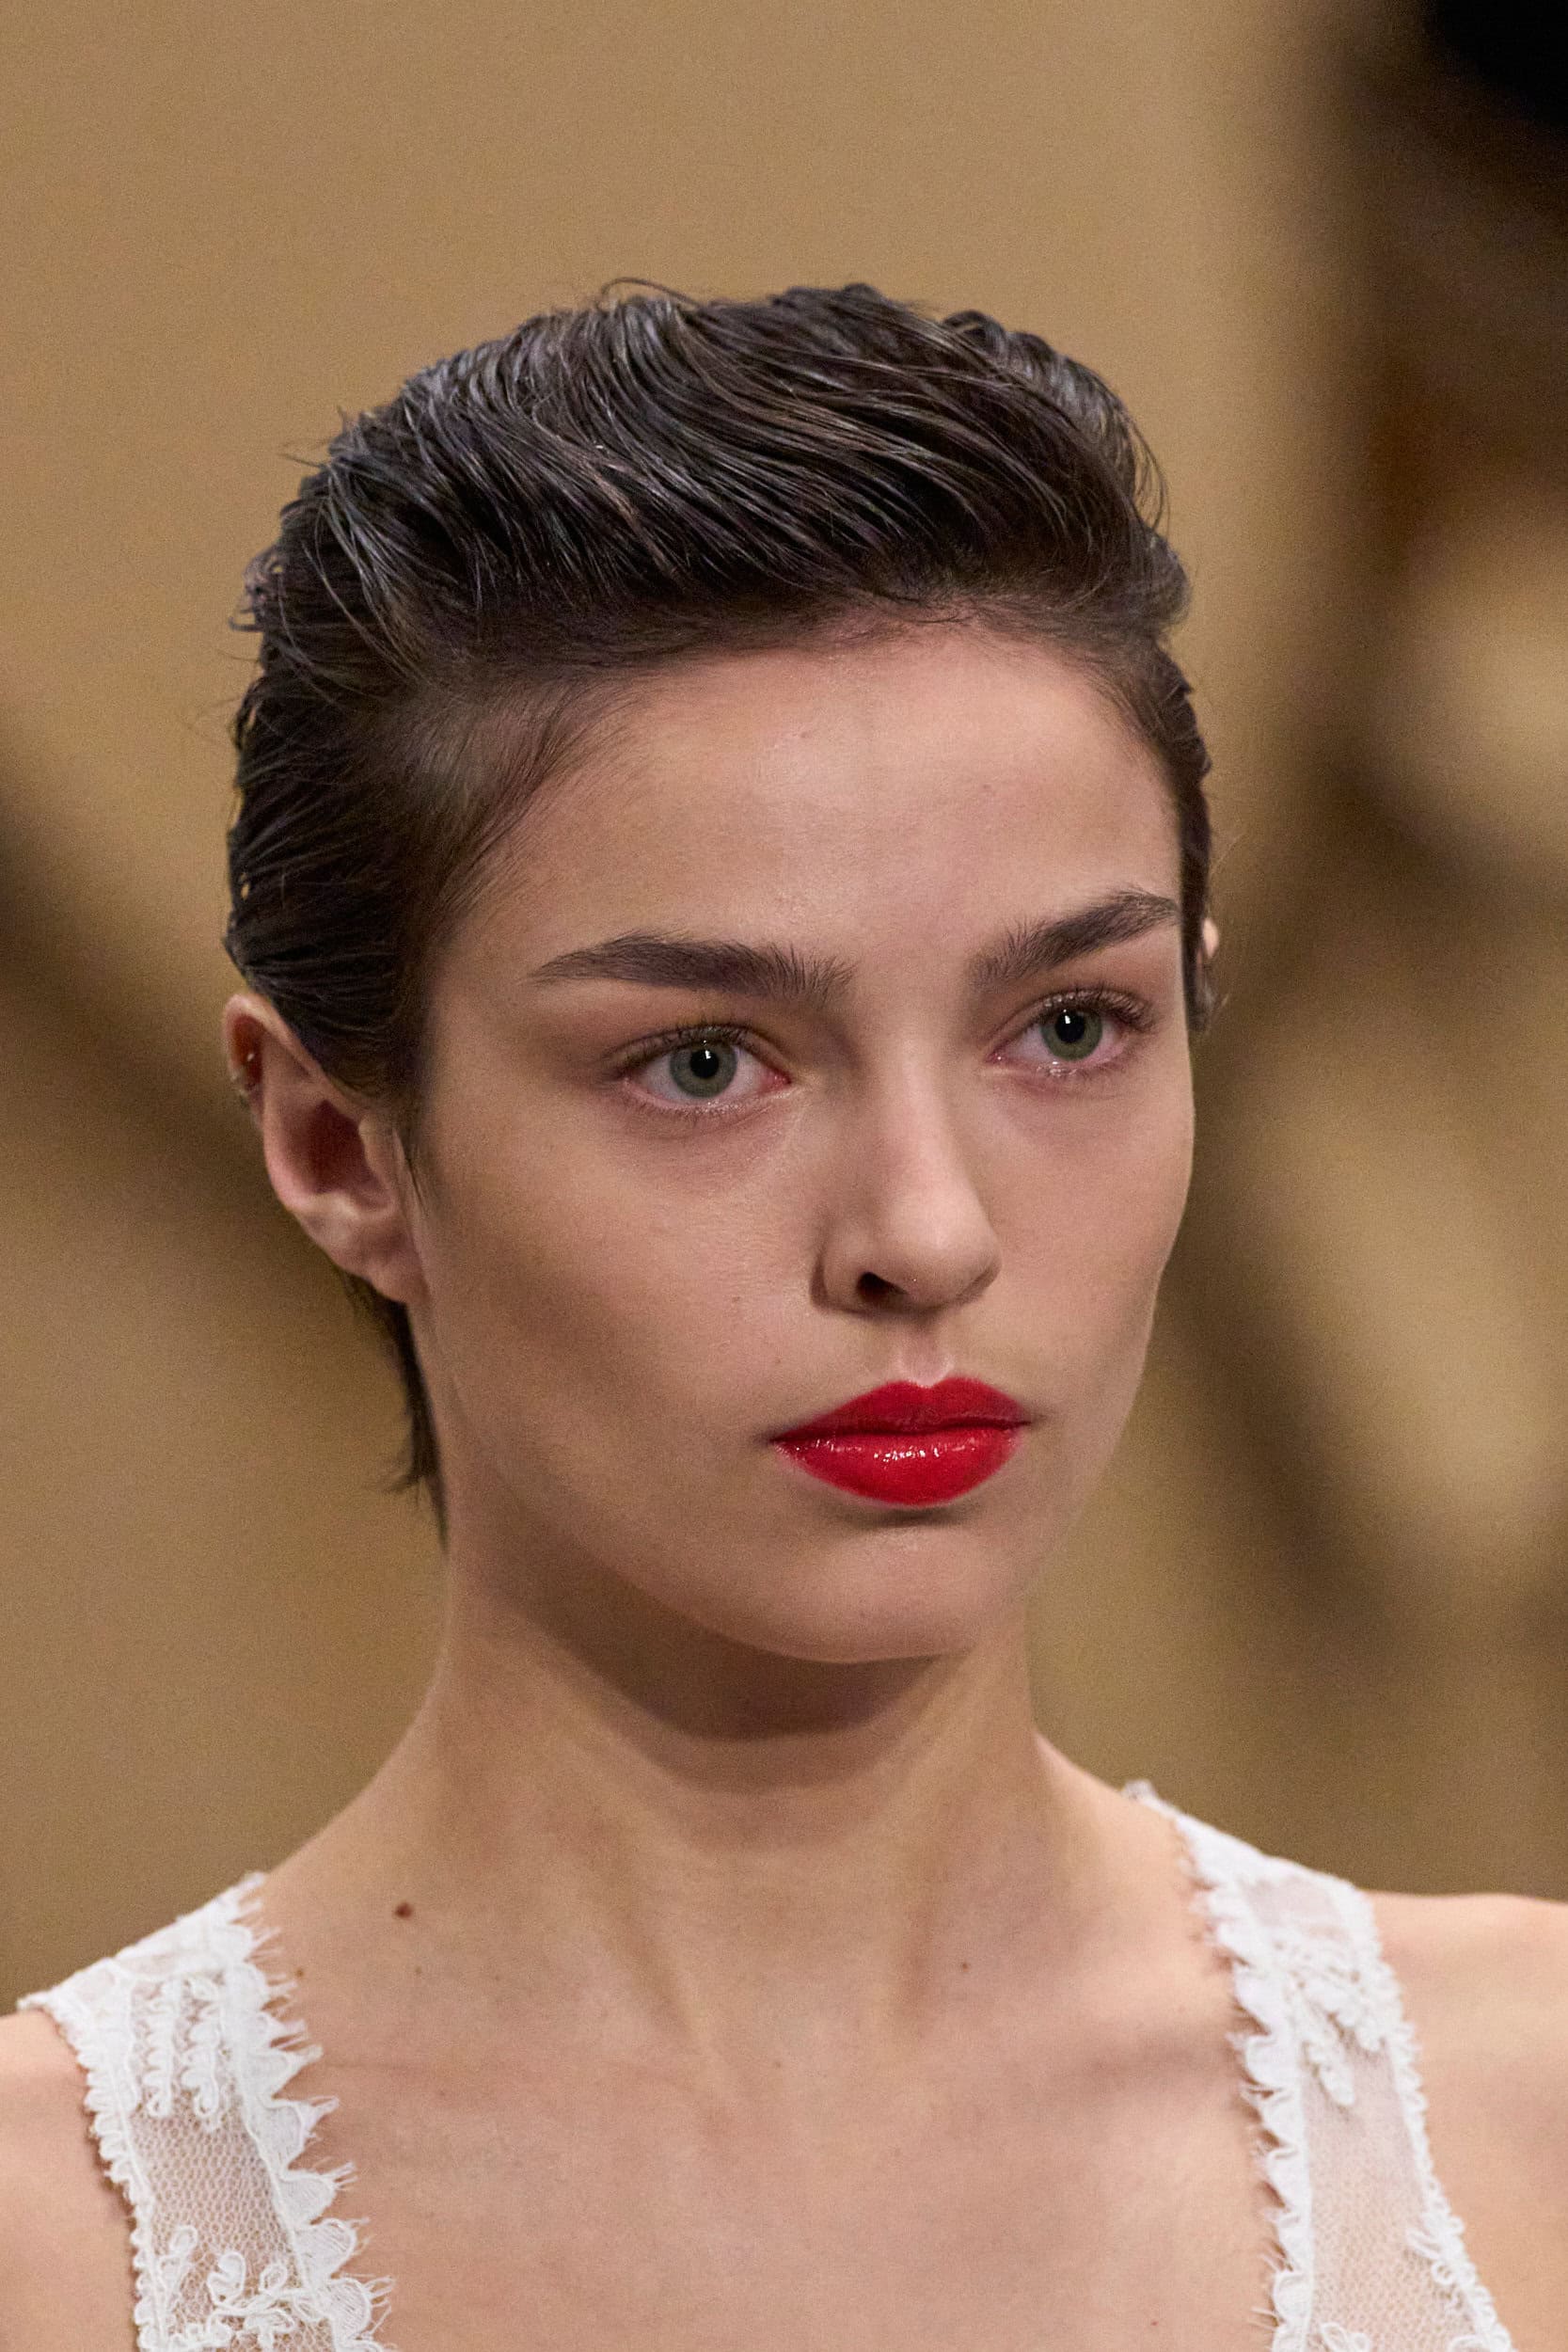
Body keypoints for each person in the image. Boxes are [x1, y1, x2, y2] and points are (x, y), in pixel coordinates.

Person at [0, 282, 1562, 2351]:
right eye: (706, 1062)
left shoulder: (1531, 2127)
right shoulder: (51, 2240)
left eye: (1070, 1026)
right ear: (335, 1143)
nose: (926, 1232)